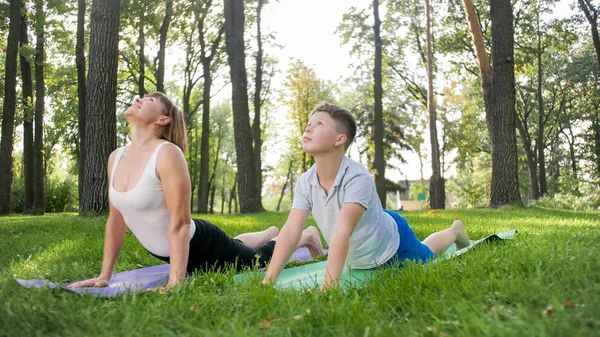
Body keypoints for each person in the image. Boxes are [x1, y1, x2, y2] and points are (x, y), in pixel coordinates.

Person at [68, 92, 323, 292]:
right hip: (181, 248)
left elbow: (180, 222)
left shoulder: (167, 153)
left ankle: (306, 235)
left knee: (257, 259)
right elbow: (115, 220)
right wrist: (104, 276)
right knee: (236, 246)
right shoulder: (116, 157)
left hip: (202, 245)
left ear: (163, 119)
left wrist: (175, 282)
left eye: (150, 100)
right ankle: (268, 232)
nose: (139, 99)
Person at [262, 102, 470, 290]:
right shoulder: (305, 182)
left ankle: (454, 231)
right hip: (360, 253)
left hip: (392, 244)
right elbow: (290, 231)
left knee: (427, 254)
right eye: (309, 123)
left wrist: (329, 287)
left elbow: (343, 229)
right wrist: (268, 281)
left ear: (339, 139)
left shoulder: (357, 176)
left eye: (319, 124)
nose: (308, 128)